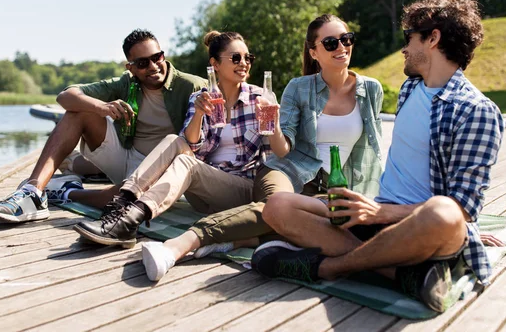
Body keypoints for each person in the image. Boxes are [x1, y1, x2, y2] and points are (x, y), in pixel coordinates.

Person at [252, 0, 505, 314]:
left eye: (409, 36)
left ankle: (327, 268)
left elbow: (463, 209)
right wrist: (370, 207)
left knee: (443, 211)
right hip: (377, 212)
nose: (403, 47)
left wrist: (382, 213)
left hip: (423, 225)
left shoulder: (477, 111)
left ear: (432, 39)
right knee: (277, 206)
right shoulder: (411, 88)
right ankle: (402, 273)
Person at [141, 14, 384, 281]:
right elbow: (283, 149)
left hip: (333, 184)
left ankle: (240, 240)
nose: (341, 47)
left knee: (323, 225)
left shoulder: (371, 89)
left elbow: (371, 153)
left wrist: (372, 197)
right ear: (314, 52)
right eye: (330, 43)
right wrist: (275, 123)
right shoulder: (299, 87)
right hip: (287, 170)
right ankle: (182, 243)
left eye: (346, 39)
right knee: (276, 206)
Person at [73, 31, 272, 269]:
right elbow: (193, 146)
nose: (244, 63)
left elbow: (272, 153)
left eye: (247, 58)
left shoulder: (260, 98)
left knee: (184, 162)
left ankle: (129, 219)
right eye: (236, 58)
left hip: (241, 190)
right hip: (205, 193)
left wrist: (274, 122)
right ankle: (123, 204)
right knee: (173, 140)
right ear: (215, 64)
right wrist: (199, 113)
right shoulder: (201, 97)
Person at [0, 29, 206, 223]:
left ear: (163, 55)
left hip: (163, 167)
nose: (153, 66)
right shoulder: (126, 83)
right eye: (142, 63)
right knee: (78, 112)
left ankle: (67, 193)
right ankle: (32, 191)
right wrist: (101, 107)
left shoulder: (191, 85)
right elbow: (65, 96)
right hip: (127, 156)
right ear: (131, 68)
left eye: (157, 57)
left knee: (123, 199)